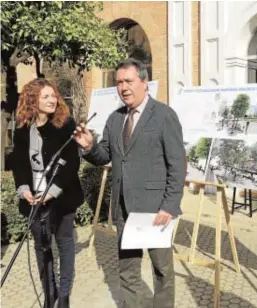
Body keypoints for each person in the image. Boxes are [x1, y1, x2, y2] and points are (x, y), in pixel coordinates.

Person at [73, 59, 185, 308]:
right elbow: (105, 155)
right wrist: (90, 146)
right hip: (123, 207)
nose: (123, 87)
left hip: (156, 210)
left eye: (129, 81)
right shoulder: (115, 119)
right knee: (127, 269)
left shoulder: (164, 115)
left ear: (144, 83)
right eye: (119, 82)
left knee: (162, 271)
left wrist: (169, 206)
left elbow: (177, 165)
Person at [11, 78, 83, 308]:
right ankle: (48, 295)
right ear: (33, 100)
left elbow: (72, 162)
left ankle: (63, 297)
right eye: (46, 97)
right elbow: (19, 163)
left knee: (64, 244)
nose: (52, 100)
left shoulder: (65, 124)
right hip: (34, 199)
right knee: (42, 248)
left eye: (54, 96)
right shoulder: (23, 128)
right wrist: (23, 189)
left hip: (60, 196)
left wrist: (51, 193)